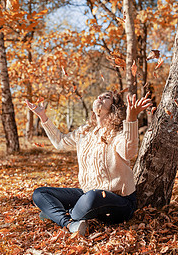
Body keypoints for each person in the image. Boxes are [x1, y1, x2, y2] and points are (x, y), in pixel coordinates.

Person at [25, 90, 152, 235]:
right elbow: (60, 142)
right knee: (40, 193)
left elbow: (129, 152)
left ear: (114, 107)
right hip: (86, 195)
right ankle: (69, 224)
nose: (100, 97)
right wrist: (43, 116)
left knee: (94, 196)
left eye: (106, 97)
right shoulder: (85, 132)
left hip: (118, 201)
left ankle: (57, 213)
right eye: (100, 95)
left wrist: (131, 117)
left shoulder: (118, 132)